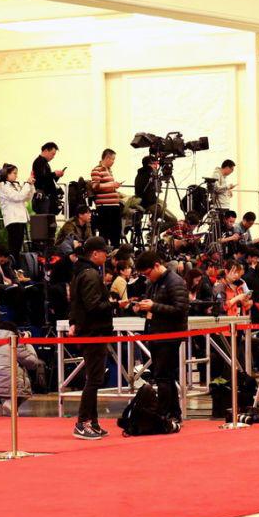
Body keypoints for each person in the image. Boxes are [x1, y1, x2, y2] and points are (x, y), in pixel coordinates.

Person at [70, 237, 127, 439]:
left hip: (90, 331)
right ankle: (83, 422)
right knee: (94, 379)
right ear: (95, 253)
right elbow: (93, 306)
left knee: (94, 378)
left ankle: (92, 421)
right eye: (104, 252)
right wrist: (114, 304)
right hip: (94, 332)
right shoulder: (91, 274)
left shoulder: (81, 272)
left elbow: (77, 303)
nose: (107, 255)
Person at [134, 250, 189, 424]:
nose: (147, 277)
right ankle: (173, 413)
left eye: (147, 273)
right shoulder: (153, 283)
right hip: (156, 333)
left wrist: (154, 307)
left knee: (163, 376)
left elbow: (181, 309)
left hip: (170, 335)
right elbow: (152, 305)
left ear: (157, 265)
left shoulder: (175, 281)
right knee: (164, 376)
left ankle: (164, 414)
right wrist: (141, 307)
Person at [0, 320, 44, 416]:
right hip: (10, 380)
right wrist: (27, 344)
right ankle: (11, 403)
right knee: (23, 389)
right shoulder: (14, 340)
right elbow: (31, 362)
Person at [0, 164, 36, 262]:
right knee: (14, 246)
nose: (16, 175)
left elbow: (26, 198)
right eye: (14, 173)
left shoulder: (15, 185)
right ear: (7, 174)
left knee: (18, 247)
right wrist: (27, 184)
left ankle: (17, 267)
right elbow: (18, 197)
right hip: (13, 219)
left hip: (20, 218)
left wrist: (31, 185)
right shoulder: (4, 185)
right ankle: (13, 267)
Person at [134, 155, 177, 233]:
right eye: (155, 164)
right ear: (150, 164)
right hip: (148, 204)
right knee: (173, 220)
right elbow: (155, 191)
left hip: (143, 201)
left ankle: (152, 221)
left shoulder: (140, 173)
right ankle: (153, 232)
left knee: (163, 203)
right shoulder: (150, 174)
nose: (156, 166)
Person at [91, 148, 123, 248]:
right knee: (105, 231)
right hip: (104, 206)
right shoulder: (97, 170)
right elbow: (95, 186)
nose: (113, 162)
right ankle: (105, 251)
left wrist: (115, 188)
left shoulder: (109, 170)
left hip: (113, 205)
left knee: (116, 231)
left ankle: (115, 250)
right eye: (112, 159)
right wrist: (111, 185)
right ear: (107, 158)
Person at [32, 141, 65, 214]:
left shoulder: (44, 163)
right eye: (52, 154)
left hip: (47, 198)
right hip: (44, 198)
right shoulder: (39, 162)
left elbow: (49, 180)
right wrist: (54, 174)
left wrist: (57, 176)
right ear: (46, 150)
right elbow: (41, 179)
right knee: (45, 219)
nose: (53, 157)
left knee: (49, 219)